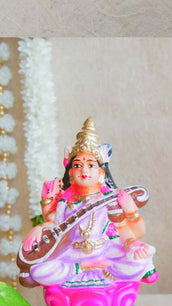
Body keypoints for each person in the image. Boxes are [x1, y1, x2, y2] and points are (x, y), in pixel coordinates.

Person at [20, 117, 157, 288]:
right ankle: (82, 268)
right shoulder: (65, 202)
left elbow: (131, 232)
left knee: (141, 260)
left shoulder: (110, 200)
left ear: (101, 174)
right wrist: (38, 229)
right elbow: (53, 223)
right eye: (78, 165)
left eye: (91, 165)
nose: (84, 170)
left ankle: (100, 276)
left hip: (106, 256)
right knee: (38, 271)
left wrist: (131, 215)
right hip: (73, 257)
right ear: (71, 173)